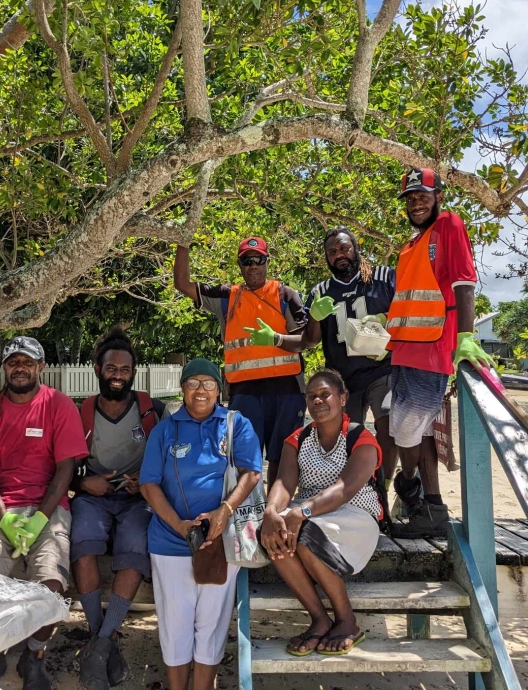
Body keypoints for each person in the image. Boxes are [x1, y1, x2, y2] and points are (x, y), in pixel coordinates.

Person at [0, 336, 89, 690]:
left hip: (48, 508)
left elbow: (65, 470)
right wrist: (4, 518)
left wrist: (39, 519)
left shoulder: (59, 406)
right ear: (4, 367)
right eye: (13, 361)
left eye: (27, 362)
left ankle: (34, 654)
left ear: (40, 367)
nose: (20, 367)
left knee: (50, 584)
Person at [382, 167, 495, 538]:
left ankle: (408, 486)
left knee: (407, 430)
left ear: (438, 197)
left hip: (431, 349)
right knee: (420, 431)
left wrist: (465, 337)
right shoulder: (411, 244)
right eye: (411, 198)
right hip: (402, 350)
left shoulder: (449, 225)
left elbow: (464, 282)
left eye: (423, 196)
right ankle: (430, 507)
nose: (416, 203)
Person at [251, 228, 397, 511]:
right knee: (344, 438)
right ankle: (351, 493)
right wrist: (313, 318)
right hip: (343, 378)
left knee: (387, 427)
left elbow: (407, 308)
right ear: (326, 258)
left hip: (382, 369)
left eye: (344, 248)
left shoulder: (384, 277)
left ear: (356, 248)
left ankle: (384, 486)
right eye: (332, 252)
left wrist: (387, 317)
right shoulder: (320, 291)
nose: (339, 255)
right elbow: (310, 340)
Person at [138, 359, 262, 690]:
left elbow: (252, 472)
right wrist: (180, 525)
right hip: (170, 543)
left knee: (212, 625)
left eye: (209, 383)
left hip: (221, 543)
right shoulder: (165, 430)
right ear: (182, 389)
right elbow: (148, 484)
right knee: (175, 626)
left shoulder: (237, 424)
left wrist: (224, 511)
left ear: (219, 389)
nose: (201, 390)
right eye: (193, 383)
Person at [260, 369, 383, 657]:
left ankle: (347, 621)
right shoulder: (298, 438)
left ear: (342, 398)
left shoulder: (361, 438)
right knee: (273, 533)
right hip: (308, 515)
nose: (318, 400)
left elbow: (345, 489)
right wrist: (271, 510)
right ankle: (319, 618)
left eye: (325, 394)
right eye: (312, 396)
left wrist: (302, 511)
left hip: (354, 516)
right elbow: (285, 482)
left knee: (306, 534)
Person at [72, 328, 165, 690]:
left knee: (135, 544)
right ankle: (102, 639)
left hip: (138, 498)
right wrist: (83, 484)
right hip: (94, 495)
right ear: (97, 369)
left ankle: (99, 644)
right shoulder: (81, 411)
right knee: (82, 540)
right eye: (111, 368)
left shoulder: (152, 410)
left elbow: (170, 456)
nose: (117, 374)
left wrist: (145, 477)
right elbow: (63, 466)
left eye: (124, 369)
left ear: (133, 373)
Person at [174, 238, 307, 485]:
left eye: (259, 259)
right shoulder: (227, 297)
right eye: (247, 260)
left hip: (287, 390)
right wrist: (184, 238)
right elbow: (182, 284)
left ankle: (275, 513)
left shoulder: (285, 294)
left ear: (267, 262)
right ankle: (249, 517)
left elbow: (306, 340)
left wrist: (276, 339)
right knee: (245, 460)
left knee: (283, 457)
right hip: (244, 392)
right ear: (240, 264)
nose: (253, 265)